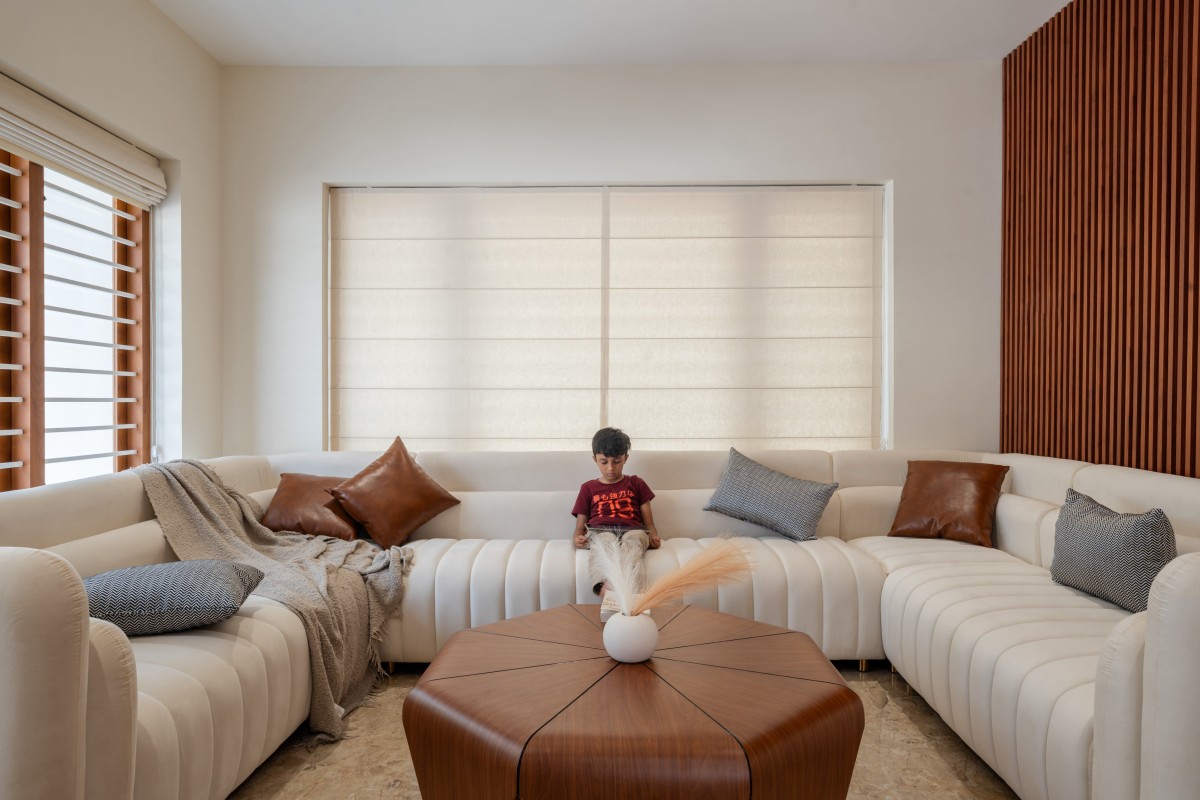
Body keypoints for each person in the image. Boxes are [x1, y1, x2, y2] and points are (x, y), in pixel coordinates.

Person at [571, 427, 661, 602]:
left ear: (626, 458)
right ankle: (605, 585)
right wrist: (577, 538)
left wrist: (654, 536)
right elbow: (579, 527)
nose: (610, 468)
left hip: (633, 529)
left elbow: (649, 523)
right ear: (594, 459)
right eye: (604, 462)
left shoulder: (636, 483)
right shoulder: (588, 488)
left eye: (617, 461)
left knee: (634, 542)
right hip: (600, 530)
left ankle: (631, 590)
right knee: (604, 542)